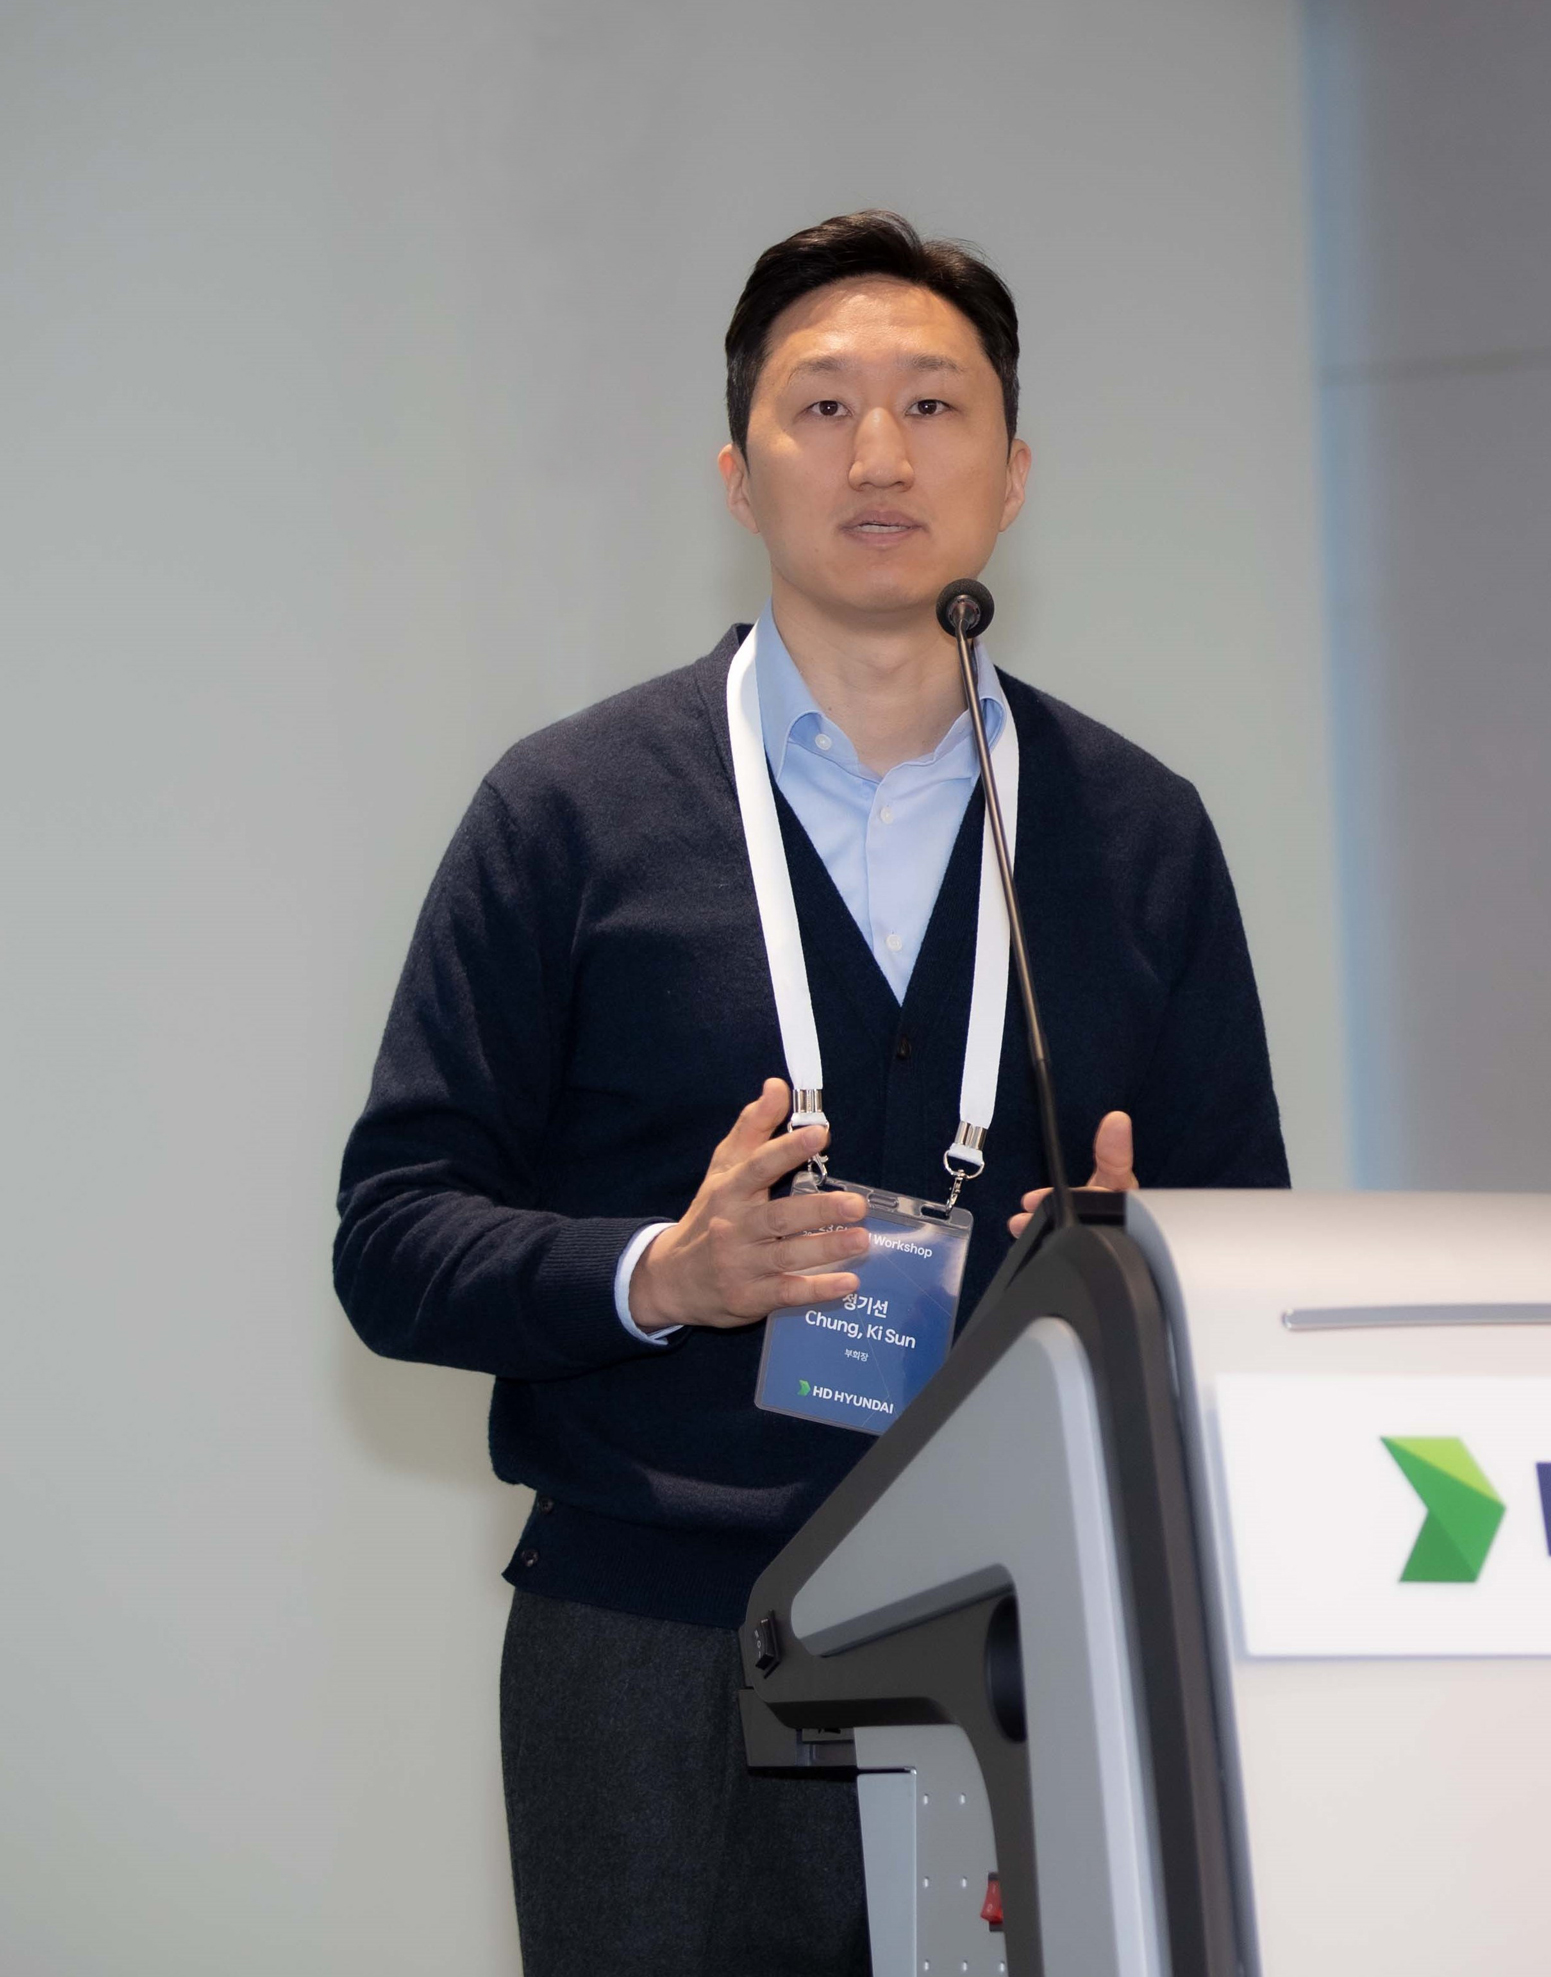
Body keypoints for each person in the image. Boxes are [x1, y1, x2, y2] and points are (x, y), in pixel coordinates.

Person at [335, 211, 1289, 1976]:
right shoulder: (570, 812)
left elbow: (1249, 1256)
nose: (879, 455)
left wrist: (1140, 1261)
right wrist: (661, 1274)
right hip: (654, 1643)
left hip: (1033, 1631)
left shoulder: (1138, 831)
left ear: (1014, 477)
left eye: (933, 406)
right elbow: (392, 1242)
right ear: (737, 476)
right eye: (824, 407)